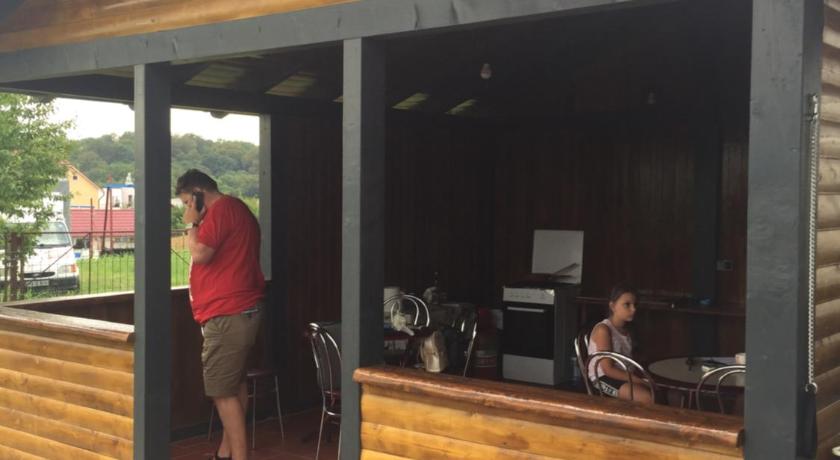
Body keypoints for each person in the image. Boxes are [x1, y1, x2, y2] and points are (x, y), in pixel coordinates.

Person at [177, 169, 265, 460]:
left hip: (228, 313)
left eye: (187, 202)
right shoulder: (236, 209)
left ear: (198, 194)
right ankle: (226, 452)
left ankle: (238, 456)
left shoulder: (222, 210)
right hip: (240, 311)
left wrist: (191, 224)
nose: (186, 208)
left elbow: (200, 253)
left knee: (221, 391)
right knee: (234, 385)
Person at [587, 285, 652, 403]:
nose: (633, 309)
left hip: (624, 375)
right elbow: (608, 369)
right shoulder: (604, 330)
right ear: (612, 306)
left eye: (635, 305)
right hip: (602, 378)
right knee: (646, 397)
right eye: (627, 304)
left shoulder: (628, 329)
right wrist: (638, 380)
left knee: (664, 392)